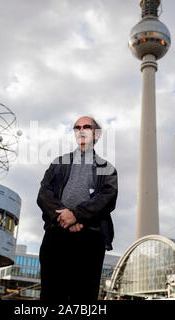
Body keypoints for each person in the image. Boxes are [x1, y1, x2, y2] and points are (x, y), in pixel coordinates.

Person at [37, 116, 118, 301]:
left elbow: (107, 198)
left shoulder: (107, 168)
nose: (81, 130)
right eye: (77, 127)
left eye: (87, 127)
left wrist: (76, 215)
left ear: (96, 134)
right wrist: (64, 217)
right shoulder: (59, 162)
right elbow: (43, 193)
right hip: (56, 236)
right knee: (51, 294)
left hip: (89, 239)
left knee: (83, 297)